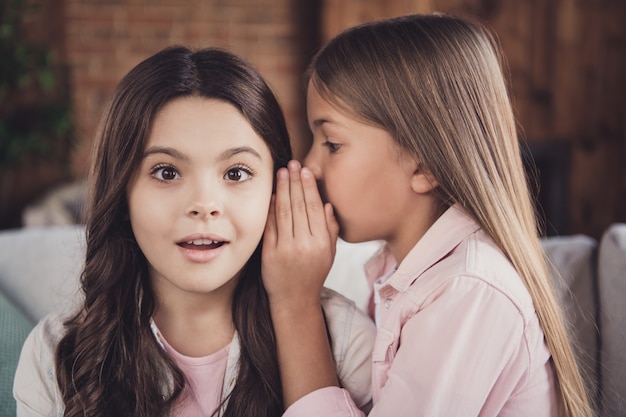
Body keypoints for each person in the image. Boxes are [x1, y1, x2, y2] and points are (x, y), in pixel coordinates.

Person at [13, 46, 376, 417]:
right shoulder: (55, 355)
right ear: (121, 193)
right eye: (166, 172)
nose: (204, 204)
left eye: (236, 173)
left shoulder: (347, 342)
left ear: (276, 190)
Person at [262, 13, 594, 417]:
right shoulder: (401, 273)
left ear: (423, 166)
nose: (309, 166)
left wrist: (295, 306)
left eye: (331, 143)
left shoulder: (467, 290)